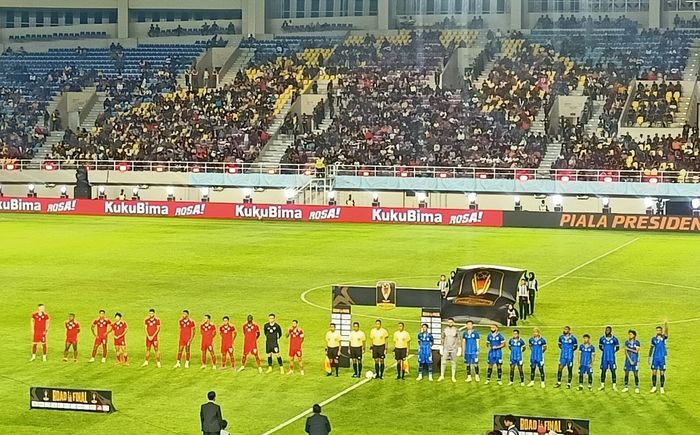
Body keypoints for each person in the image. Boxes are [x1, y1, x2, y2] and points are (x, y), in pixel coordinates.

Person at [598, 326, 620, 391]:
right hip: (604, 358)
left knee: (613, 371)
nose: (606, 331)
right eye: (606, 330)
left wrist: (612, 352)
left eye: (608, 330)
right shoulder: (602, 339)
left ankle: (614, 385)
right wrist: (605, 351)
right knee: (603, 371)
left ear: (610, 331)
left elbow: (617, 348)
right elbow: (600, 347)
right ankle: (602, 385)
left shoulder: (614, 339)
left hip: (611, 358)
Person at [649, 322, 668, 394]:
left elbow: (666, 334)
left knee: (662, 373)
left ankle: (662, 387)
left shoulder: (663, 338)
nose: (658, 331)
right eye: (657, 330)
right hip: (655, 358)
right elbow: (651, 348)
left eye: (659, 330)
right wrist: (649, 357)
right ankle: (654, 387)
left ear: (661, 331)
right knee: (654, 372)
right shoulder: (653, 339)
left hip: (662, 357)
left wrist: (666, 325)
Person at [439, 317, 460, 382]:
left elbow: (459, 339)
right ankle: (442, 375)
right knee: (443, 362)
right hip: (446, 348)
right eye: (449, 322)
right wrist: (441, 347)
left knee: (453, 362)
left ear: (453, 323)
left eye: (451, 322)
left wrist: (459, 348)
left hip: (454, 348)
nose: (450, 323)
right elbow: (442, 338)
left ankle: (453, 377)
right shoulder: (444, 329)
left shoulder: (456, 330)